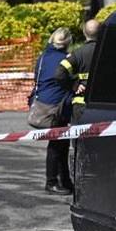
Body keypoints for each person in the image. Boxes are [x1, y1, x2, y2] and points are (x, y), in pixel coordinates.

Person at [30, 27, 74, 194]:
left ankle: (65, 180)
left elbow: (37, 78)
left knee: (61, 142)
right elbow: (67, 79)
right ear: (68, 42)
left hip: (43, 103)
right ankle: (52, 181)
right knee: (57, 144)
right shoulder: (65, 60)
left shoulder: (42, 58)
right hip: (57, 106)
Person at [55, 18, 100, 119]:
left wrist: (74, 85)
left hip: (80, 107)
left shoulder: (77, 54)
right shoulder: (108, 53)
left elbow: (59, 73)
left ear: (84, 32)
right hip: (102, 106)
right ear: (101, 32)